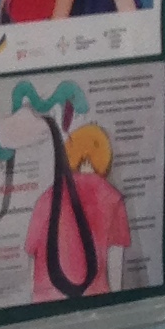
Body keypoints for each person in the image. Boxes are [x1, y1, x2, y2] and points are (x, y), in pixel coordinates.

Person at [25, 116, 132, 301]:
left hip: (47, 302)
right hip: (93, 301)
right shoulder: (112, 198)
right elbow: (115, 267)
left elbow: (32, 261)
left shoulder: (45, 199)